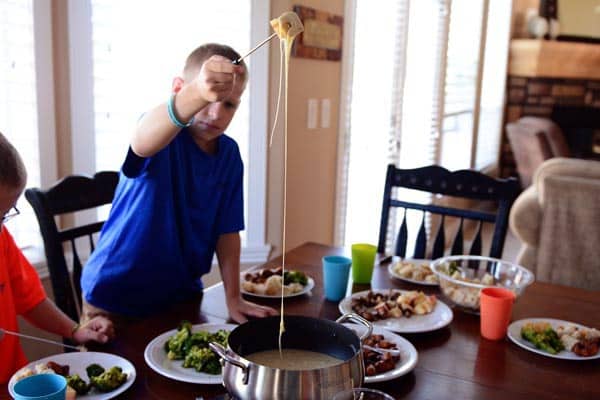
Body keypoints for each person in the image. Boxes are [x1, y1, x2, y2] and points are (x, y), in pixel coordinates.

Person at [80, 43, 277, 323]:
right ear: (179, 88)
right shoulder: (162, 136)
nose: (217, 113)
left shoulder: (229, 155)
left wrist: (233, 298)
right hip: (113, 298)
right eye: (208, 99)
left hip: (180, 296)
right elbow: (142, 138)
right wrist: (196, 92)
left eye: (229, 104)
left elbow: (227, 231)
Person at [0, 132, 115, 384]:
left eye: (4, 215)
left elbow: (30, 301)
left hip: (13, 383)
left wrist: (74, 330)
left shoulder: (2, 239)